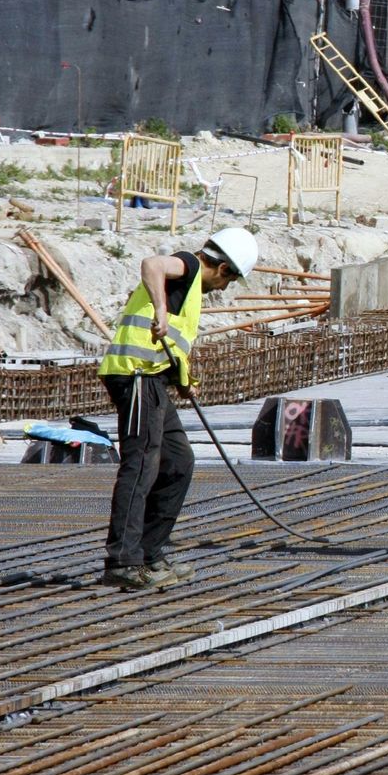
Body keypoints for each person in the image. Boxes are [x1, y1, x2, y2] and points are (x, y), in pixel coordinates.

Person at [98, 227, 257, 589]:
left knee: (178, 462)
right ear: (223, 269)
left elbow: (174, 344)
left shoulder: (191, 290)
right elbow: (152, 264)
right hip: (136, 377)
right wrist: (159, 309)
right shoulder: (189, 265)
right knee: (141, 466)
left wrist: (183, 379)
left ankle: (150, 554)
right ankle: (122, 561)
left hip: (154, 380)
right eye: (229, 280)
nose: (225, 288)